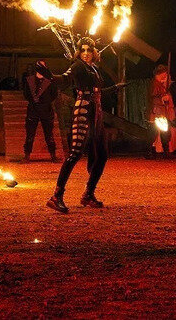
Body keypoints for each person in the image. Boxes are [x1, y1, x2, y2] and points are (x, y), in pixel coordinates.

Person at [43, 37, 119, 213]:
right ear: (79, 51)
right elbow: (65, 79)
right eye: (82, 50)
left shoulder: (93, 68)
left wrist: (113, 89)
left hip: (96, 114)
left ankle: (88, 194)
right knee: (75, 153)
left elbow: (95, 90)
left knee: (102, 155)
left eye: (89, 50)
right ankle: (56, 196)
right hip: (83, 112)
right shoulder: (77, 65)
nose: (85, 53)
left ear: (94, 52)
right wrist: (50, 76)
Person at [21, 60, 60, 163]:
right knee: (30, 134)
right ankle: (27, 156)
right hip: (33, 110)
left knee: (49, 134)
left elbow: (54, 94)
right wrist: (35, 102)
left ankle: (53, 156)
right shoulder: (30, 80)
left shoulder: (50, 82)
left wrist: (45, 102)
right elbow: (26, 94)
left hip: (46, 110)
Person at [146, 64, 176, 158]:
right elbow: (154, 97)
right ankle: (150, 152)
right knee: (153, 133)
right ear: (160, 74)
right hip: (156, 113)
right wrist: (163, 98)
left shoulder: (159, 84)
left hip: (161, 112)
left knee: (165, 133)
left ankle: (165, 152)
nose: (165, 76)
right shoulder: (154, 84)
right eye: (164, 74)